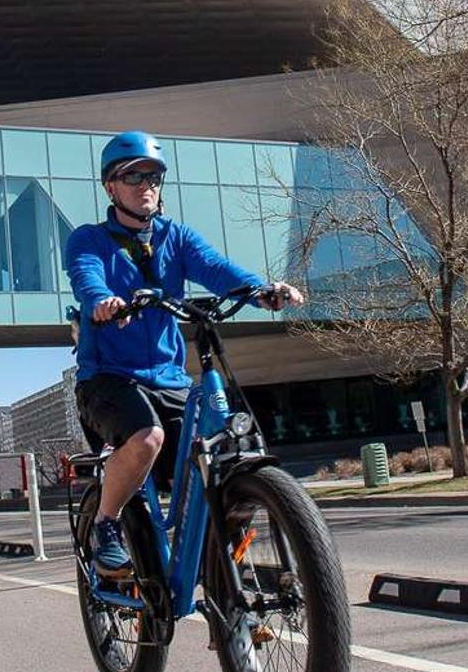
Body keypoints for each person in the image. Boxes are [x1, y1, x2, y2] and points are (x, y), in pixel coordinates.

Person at [64, 130, 303, 578]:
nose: (145, 185)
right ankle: (106, 525)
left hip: (169, 380)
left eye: (153, 176)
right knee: (147, 438)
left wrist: (259, 291)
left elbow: (216, 268)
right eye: (132, 176)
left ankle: (225, 579)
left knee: (227, 451)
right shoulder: (88, 239)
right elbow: (86, 276)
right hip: (108, 380)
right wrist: (103, 302)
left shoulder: (177, 237)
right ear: (110, 187)